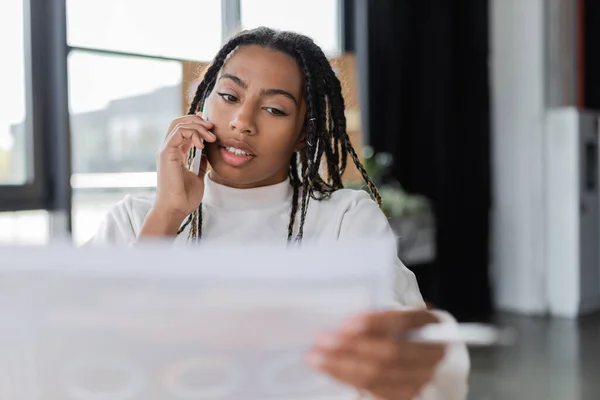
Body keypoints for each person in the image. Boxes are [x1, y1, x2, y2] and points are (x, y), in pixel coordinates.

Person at [90, 27, 469, 399]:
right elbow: (91, 349)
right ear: (203, 102)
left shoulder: (344, 220)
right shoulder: (135, 220)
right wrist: (167, 214)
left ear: (304, 132)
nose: (243, 121)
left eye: (274, 108)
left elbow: (409, 358)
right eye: (228, 95)